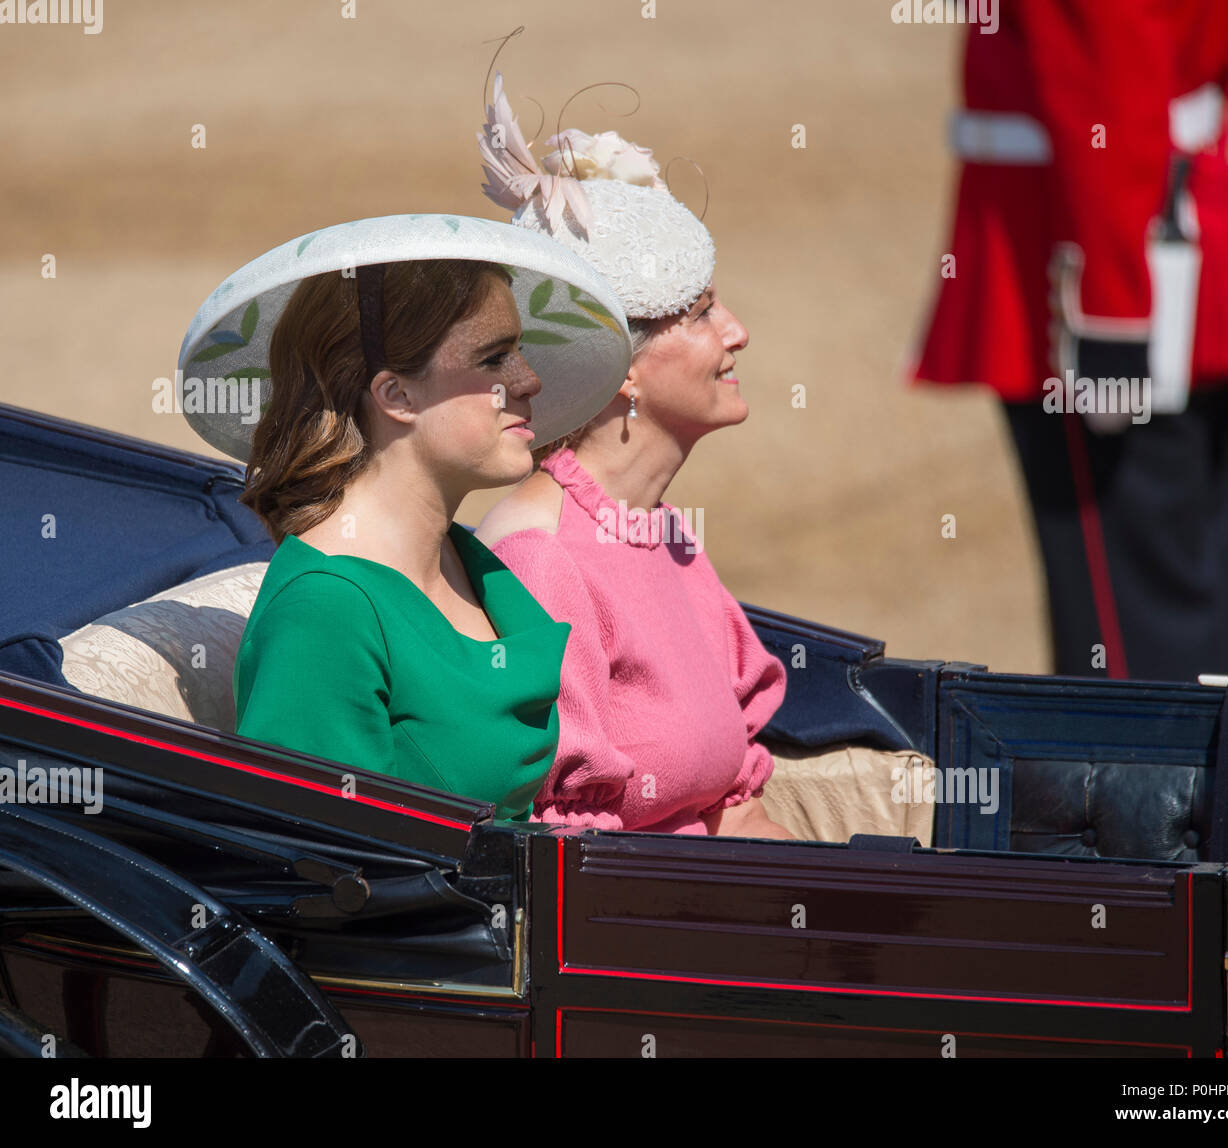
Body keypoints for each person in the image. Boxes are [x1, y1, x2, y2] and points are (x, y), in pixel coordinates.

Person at [175, 214, 632, 816]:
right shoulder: (327, 609)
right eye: (495, 359)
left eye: (519, 351)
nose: (530, 380)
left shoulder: (463, 558)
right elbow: (329, 865)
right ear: (396, 396)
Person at [908, 0, 1228, 681]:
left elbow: (1102, 101)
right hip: (1181, 231)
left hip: (1090, 271)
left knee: (1130, 649)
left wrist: (1114, 324)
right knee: (1181, 601)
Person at [472, 76, 795, 838]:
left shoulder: (662, 530)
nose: (737, 331)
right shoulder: (540, 560)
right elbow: (566, 859)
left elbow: (735, 802)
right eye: (702, 312)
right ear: (617, 366)